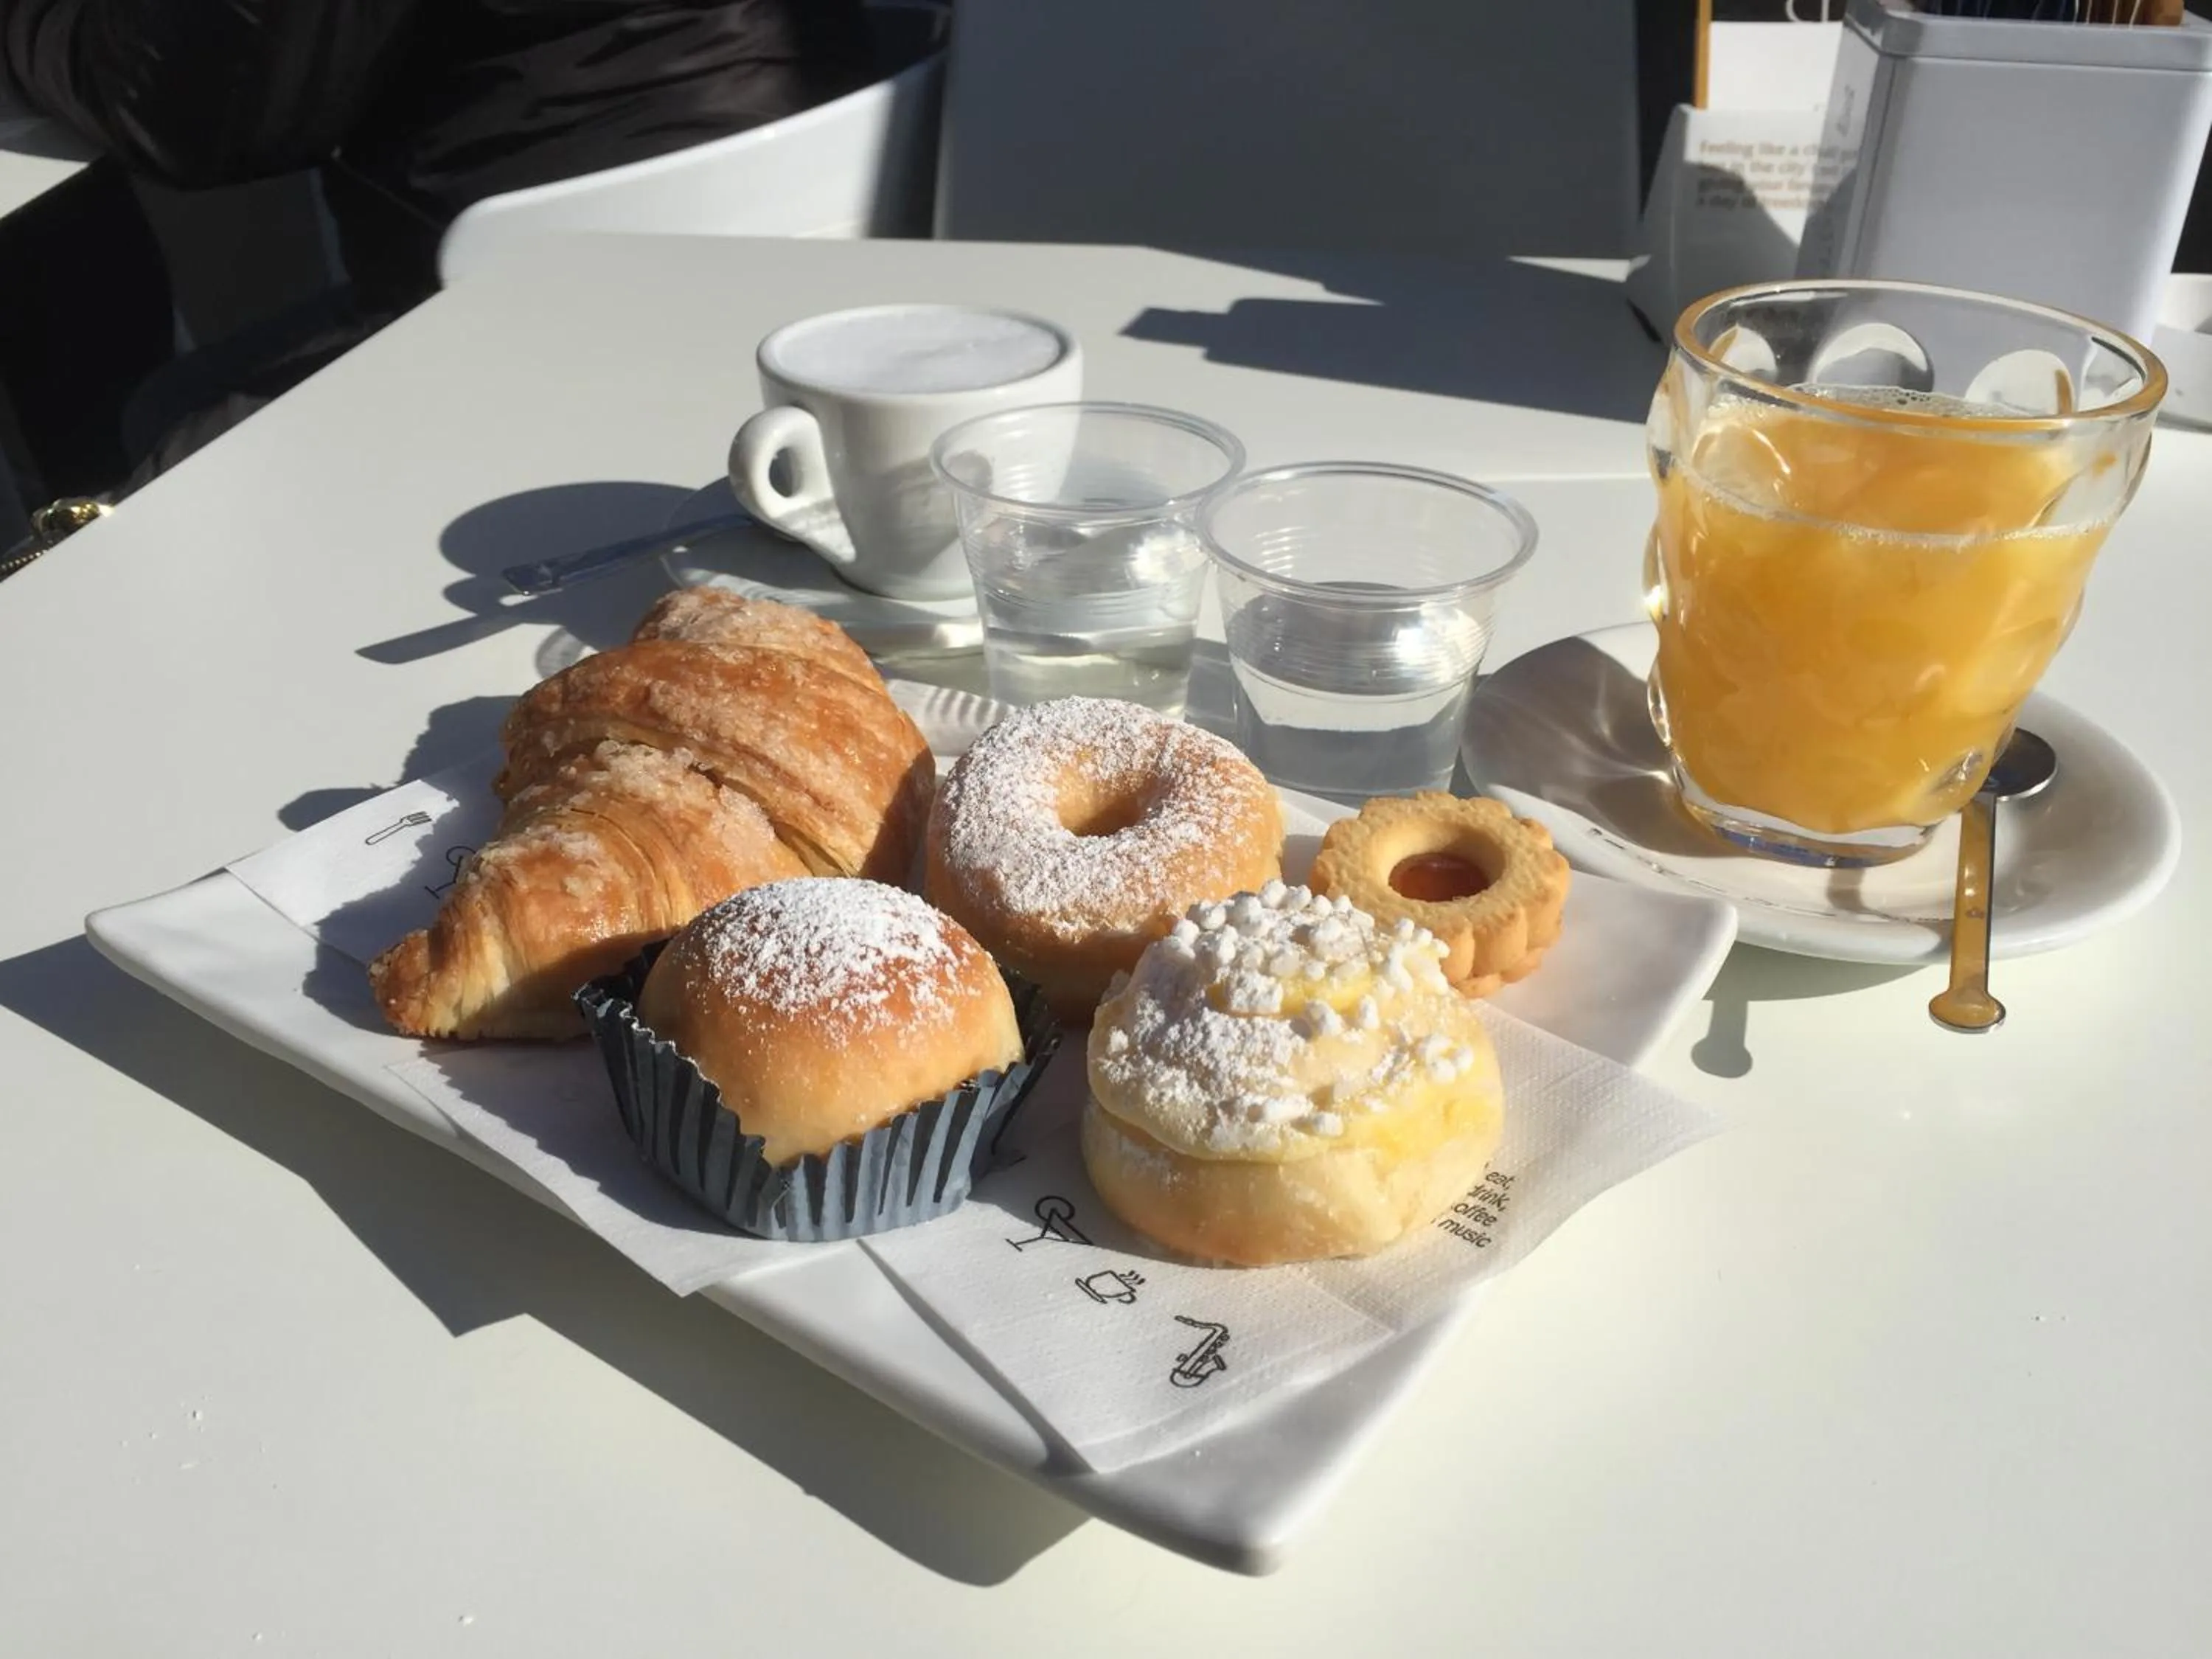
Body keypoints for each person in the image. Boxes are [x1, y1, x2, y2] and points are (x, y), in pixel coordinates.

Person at [0, 0, 874, 493]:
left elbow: (191, 113)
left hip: (539, 301)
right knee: (163, 403)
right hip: (781, 220)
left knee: (159, 493)